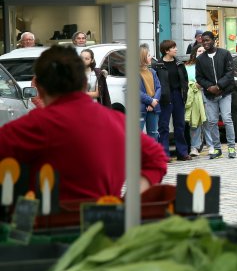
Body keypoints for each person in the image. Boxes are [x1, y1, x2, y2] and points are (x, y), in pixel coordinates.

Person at [0, 46, 166, 201]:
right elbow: (157, 158)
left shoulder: (31, 127)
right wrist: (128, 201)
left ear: (40, 88)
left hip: (50, 219)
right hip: (104, 217)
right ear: (85, 83)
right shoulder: (118, 122)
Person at [195, 31, 236, 159]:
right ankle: (217, 149)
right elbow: (199, 77)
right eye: (203, 41)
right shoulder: (200, 59)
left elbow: (230, 72)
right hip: (209, 94)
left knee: (227, 119)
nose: (205, 43)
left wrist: (219, 86)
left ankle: (231, 147)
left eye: (207, 40)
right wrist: (209, 87)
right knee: (212, 121)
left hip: (225, 92)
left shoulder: (225, 54)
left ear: (214, 40)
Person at [153, 40, 191, 161]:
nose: (176, 49)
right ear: (166, 50)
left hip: (178, 95)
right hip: (164, 97)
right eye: (173, 47)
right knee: (163, 126)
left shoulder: (179, 63)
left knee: (180, 125)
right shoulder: (158, 65)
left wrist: (185, 92)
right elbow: (155, 83)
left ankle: (182, 153)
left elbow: (185, 79)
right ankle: (164, 154)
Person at [184, 45, 209, 157]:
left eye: (203, 51)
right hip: (193, 95)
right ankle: (194, 147)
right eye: (199, 51)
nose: (201, 52)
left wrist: (203, 84)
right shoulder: (188, 66)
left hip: (206, 94)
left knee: (208, 121)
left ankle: (212, 145)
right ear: (194, 53)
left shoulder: (210, 64)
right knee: (195, 122)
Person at [139, 44, 160, 141]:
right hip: (141, 108)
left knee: (154, 133)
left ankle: (153, 151)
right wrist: (150, 101)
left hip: (153, 107)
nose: (151, 57)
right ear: (142, 57)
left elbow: (159, 87)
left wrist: (153, 102)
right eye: (148, 55)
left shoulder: (152, 72)